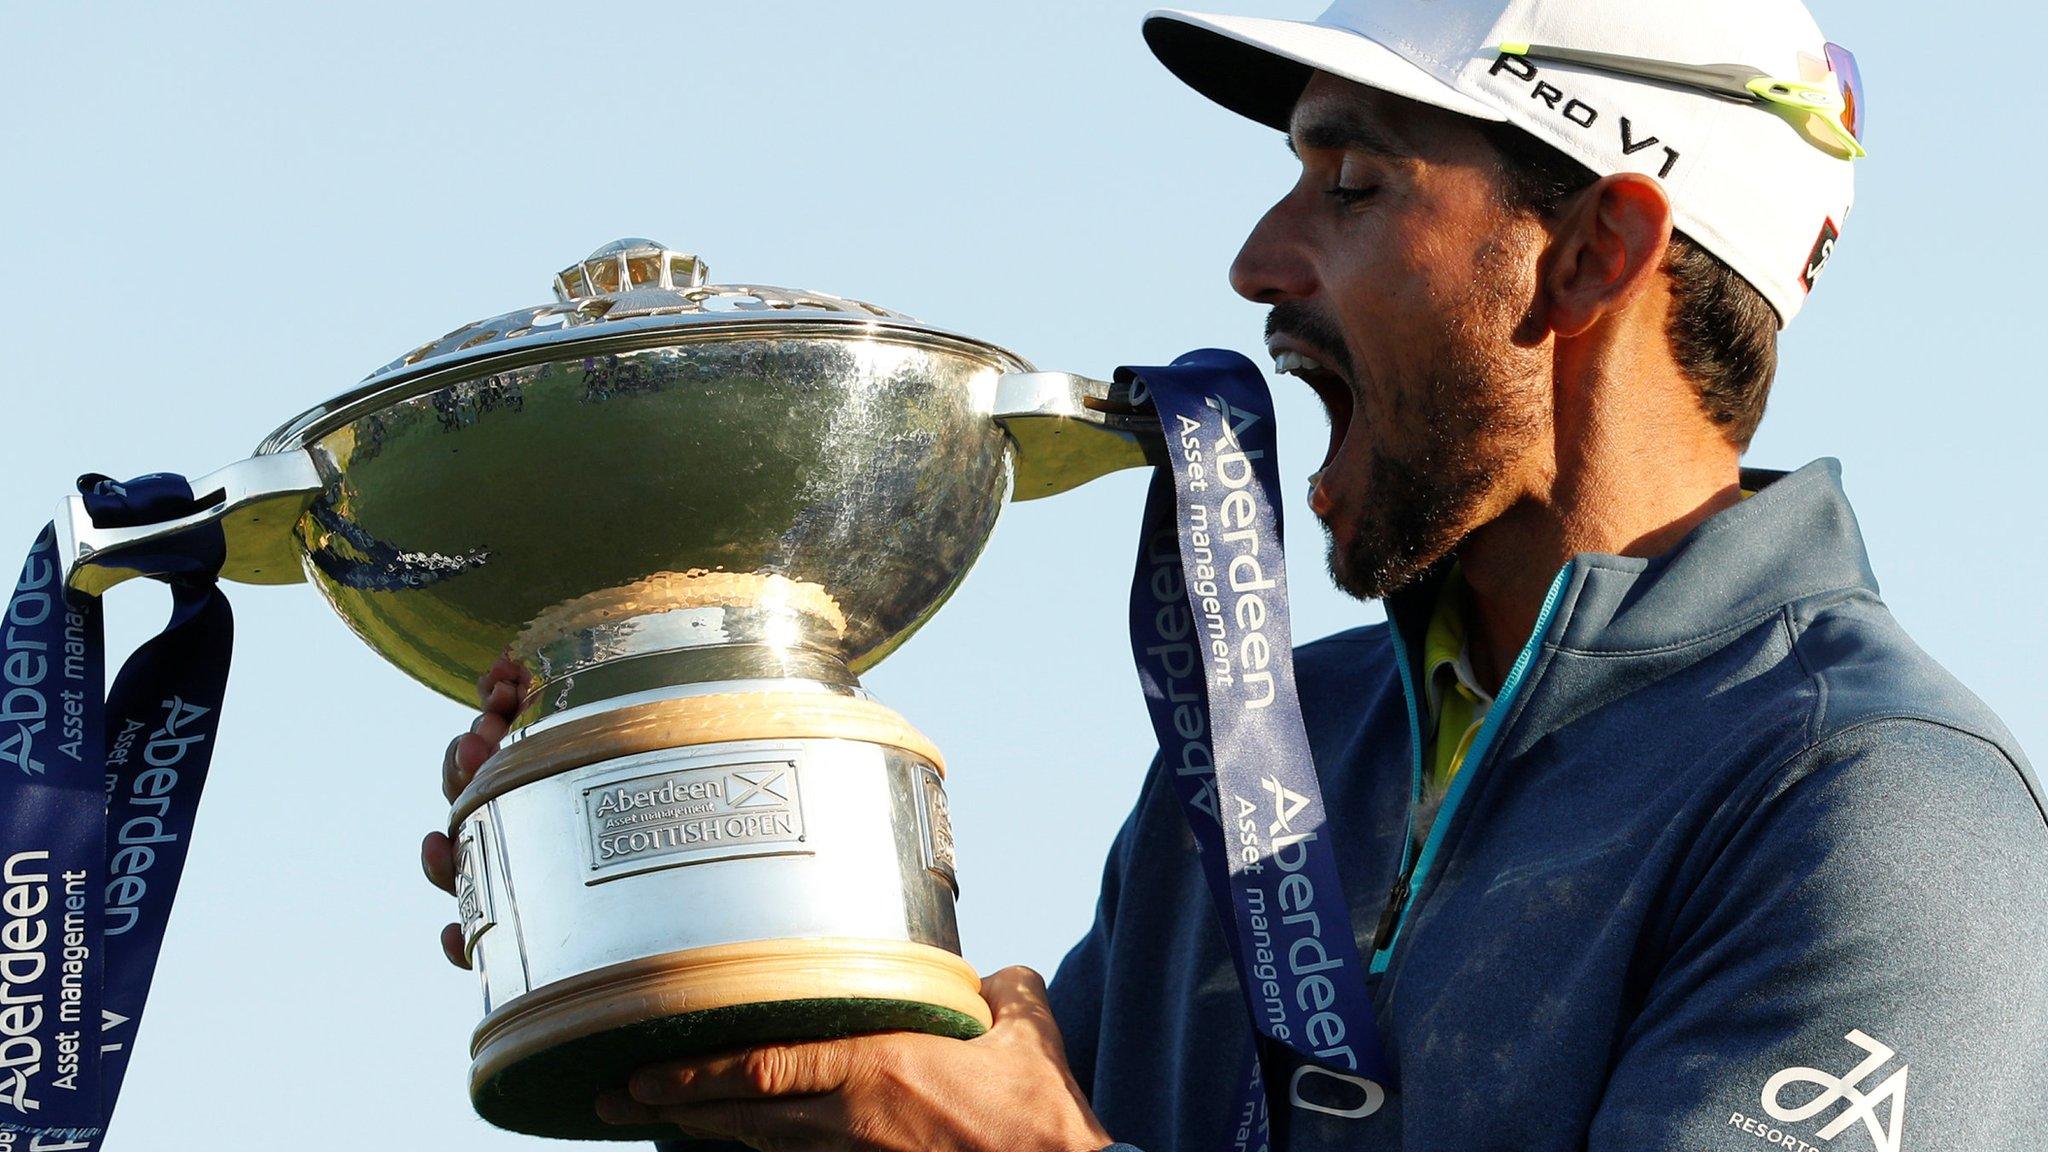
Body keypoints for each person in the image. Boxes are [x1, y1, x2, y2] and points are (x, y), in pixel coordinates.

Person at [421, 0, 2048, 1148]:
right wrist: (701, 928)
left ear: (1596, 254)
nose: (1260, 259)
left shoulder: (1874, 797)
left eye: (1353, 184)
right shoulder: (1274, 751)